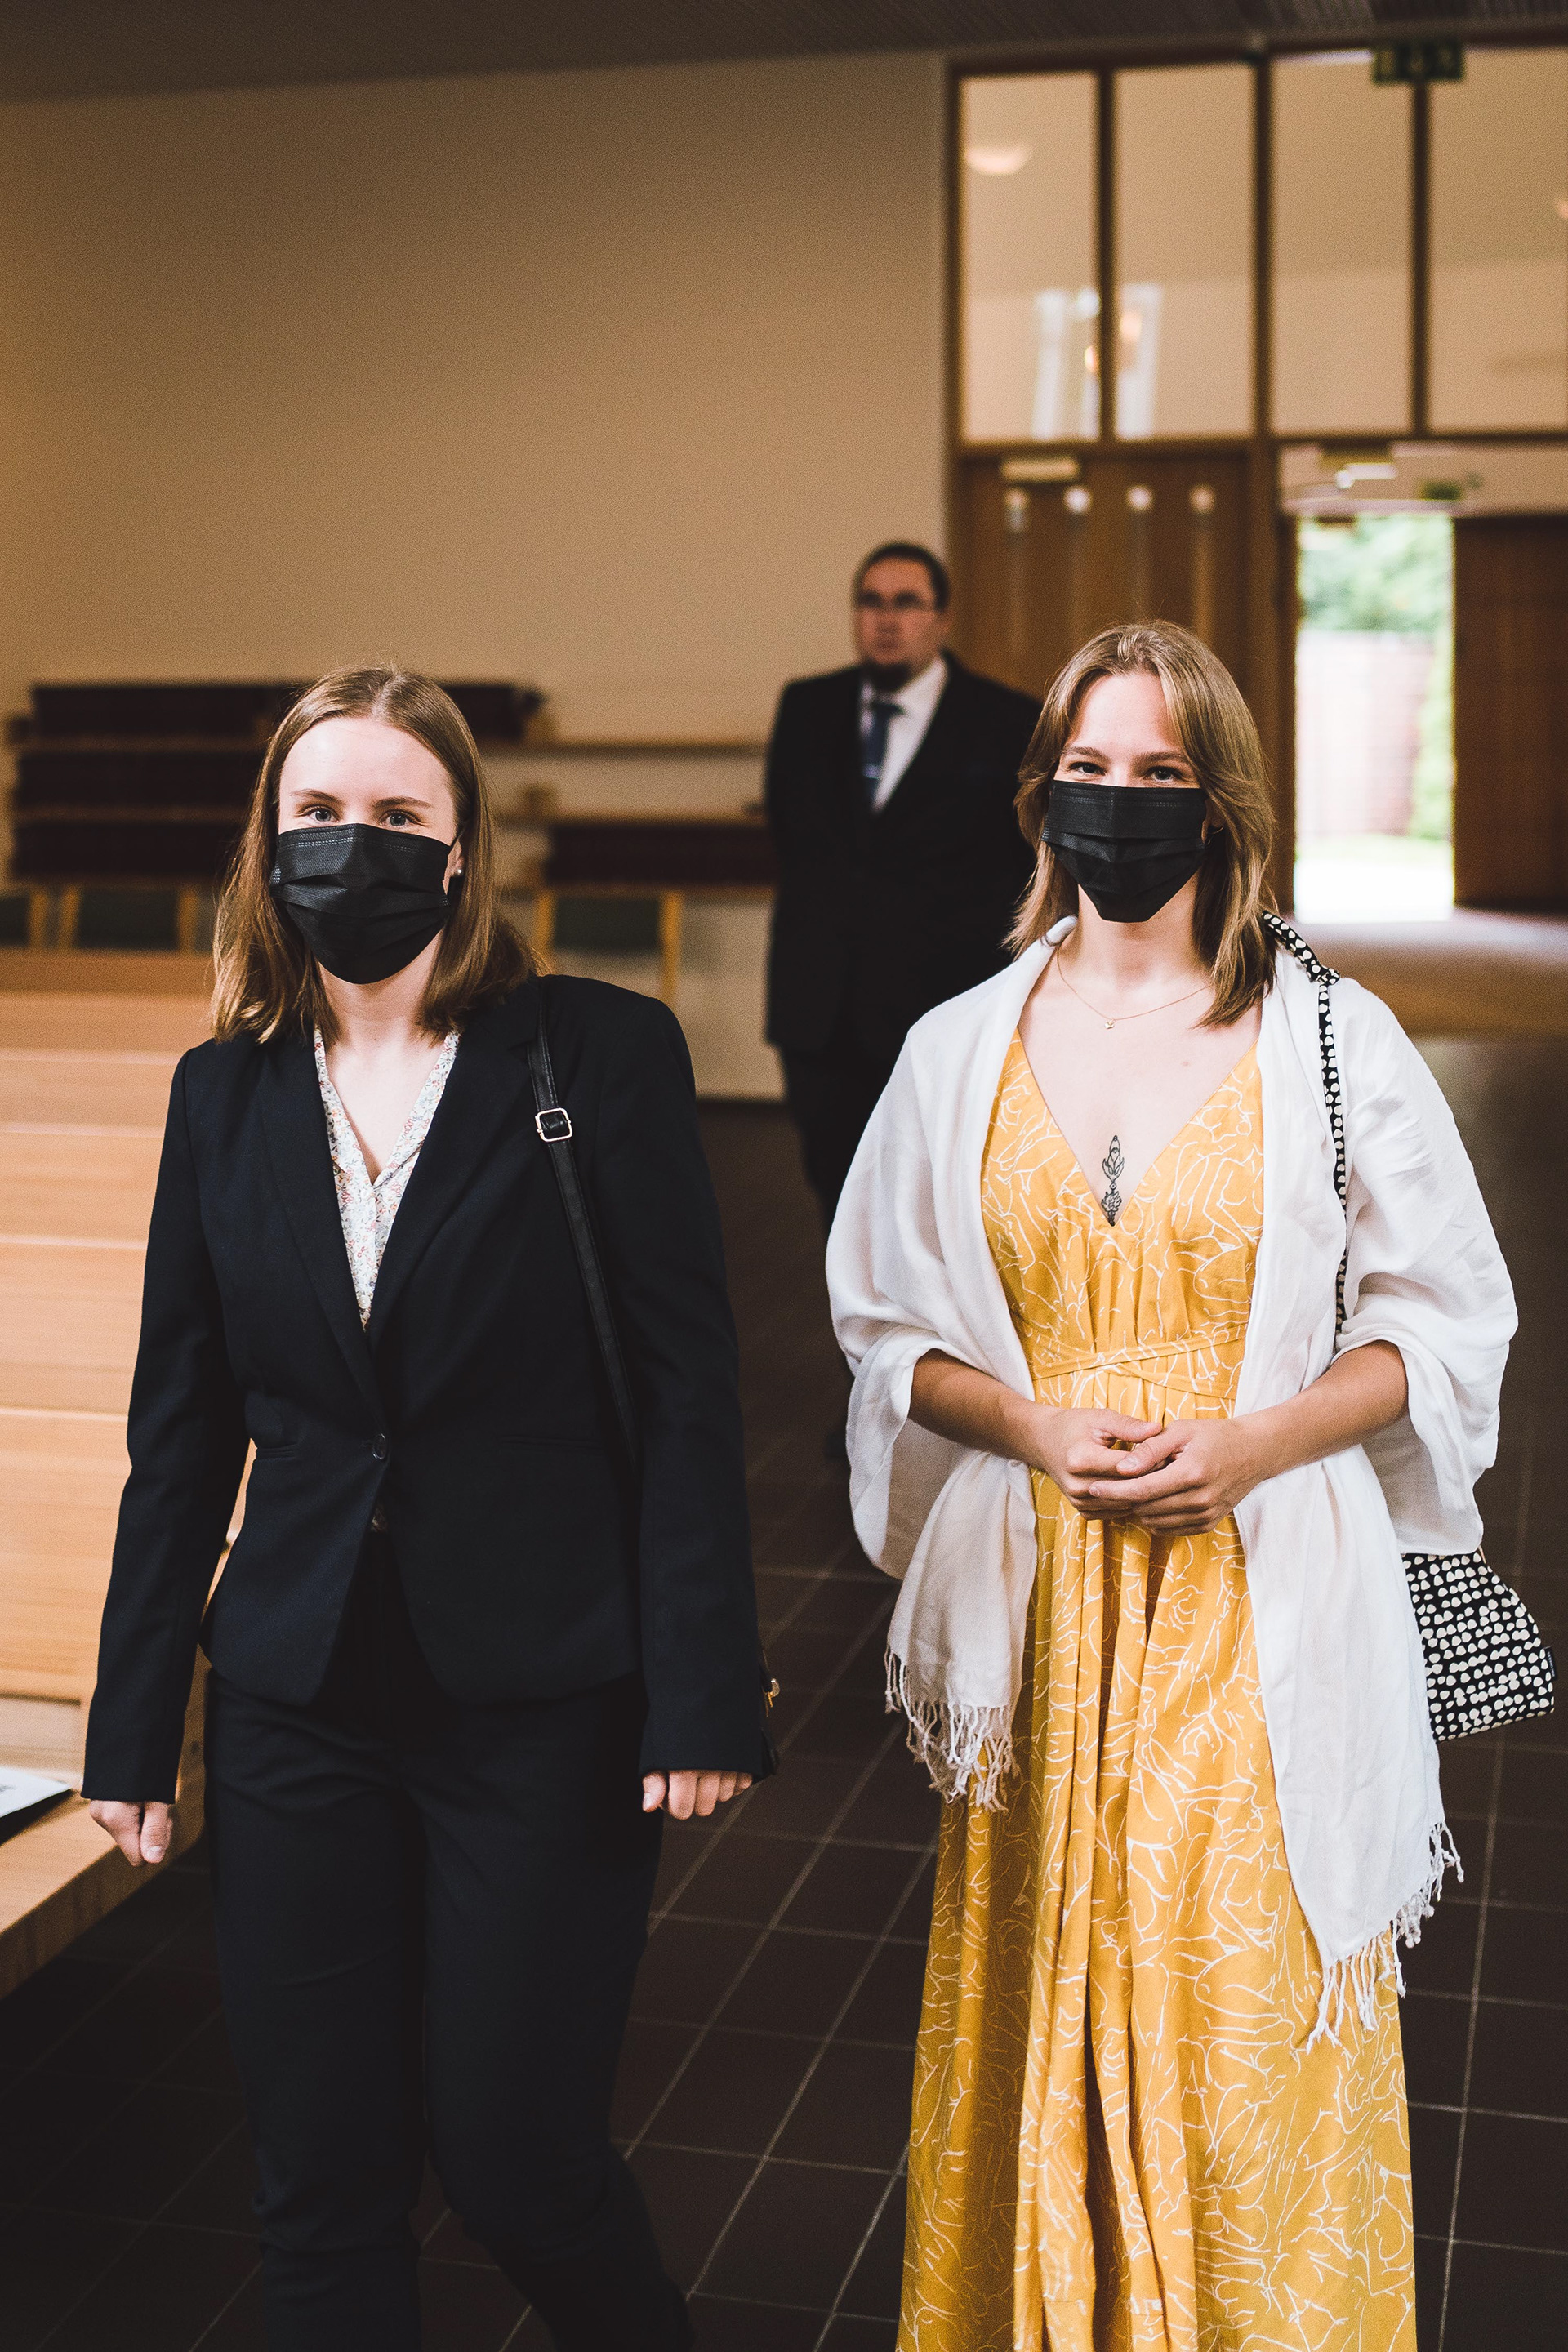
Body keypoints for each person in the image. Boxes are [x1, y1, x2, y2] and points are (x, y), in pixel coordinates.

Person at [826, 622, 1515, 2351]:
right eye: (1088, 768)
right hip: (1048, 1615)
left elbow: (1445, 1323)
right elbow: (885, 1336)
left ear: (1222, 804)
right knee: (1043, 2003)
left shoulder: (1331, 1037)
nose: (1117, 802)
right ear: (1039, 791)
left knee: (1240, 2023)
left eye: (1159, 772)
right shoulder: (957, 1048)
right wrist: (1029, 1424)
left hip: (1256, 1597)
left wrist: (1252, 1443)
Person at [82, 668, 772, 2352]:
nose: (354, 845)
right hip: (298, 1697)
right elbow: (183, 1429)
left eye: (397, 816)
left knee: (519, 2161)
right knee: (319, 2181)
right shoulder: (224, 1091)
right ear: (269, 844)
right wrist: (131, 1721)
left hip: (540, 1695)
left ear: (460, 853)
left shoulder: (593, 1053)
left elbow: (687, 1390)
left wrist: (699, 1683)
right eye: (318, 814)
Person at [764, 540, 1040, 1228]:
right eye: (871, 602)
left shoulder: (1008, 721)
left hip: (942, 1007)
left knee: (938, 1206)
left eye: (907, 603)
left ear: (942, 618)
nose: (887, 619)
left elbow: (1027, 866)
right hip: (819, 1009)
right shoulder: (806, 707)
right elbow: (790, 836)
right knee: (839, 1203)